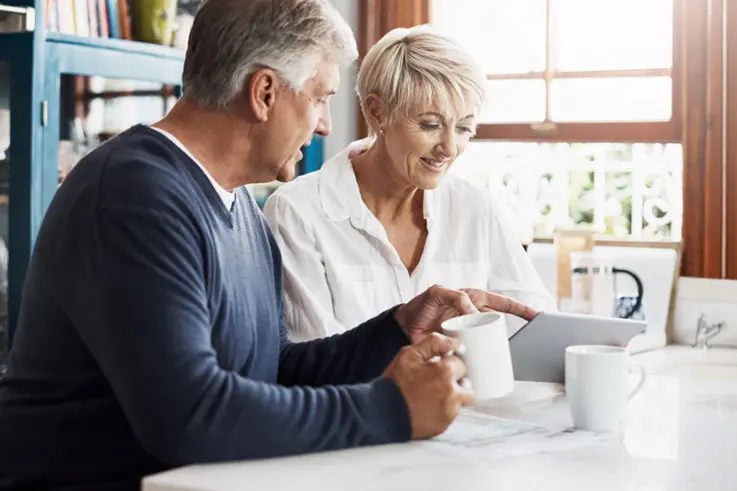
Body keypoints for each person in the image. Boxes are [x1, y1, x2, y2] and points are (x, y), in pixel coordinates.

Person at [0, 2, 539, 490]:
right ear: (264, 93)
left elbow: (274, 369)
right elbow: (190, 415)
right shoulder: (132, 194)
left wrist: (396, 327)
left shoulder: (239, 211)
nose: (327, 123)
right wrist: (391, 409)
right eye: (322, 98)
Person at [263, 25, 556, 343]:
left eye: (463, 128)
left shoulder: (476, 208)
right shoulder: (297, 212)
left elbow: (541, 333)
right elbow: (314, 363)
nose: (449, 148)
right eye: (430, 125)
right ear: (378, 113)